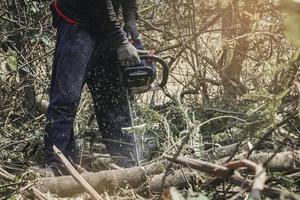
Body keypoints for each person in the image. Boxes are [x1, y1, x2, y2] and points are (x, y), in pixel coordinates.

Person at [44, 0, 142, 175]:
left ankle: (128, 164)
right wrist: (121, 41)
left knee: (113, 102)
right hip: (77, 22)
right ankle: (57, 165)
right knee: (67, 97)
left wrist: (131, 19)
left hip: (106, 29)